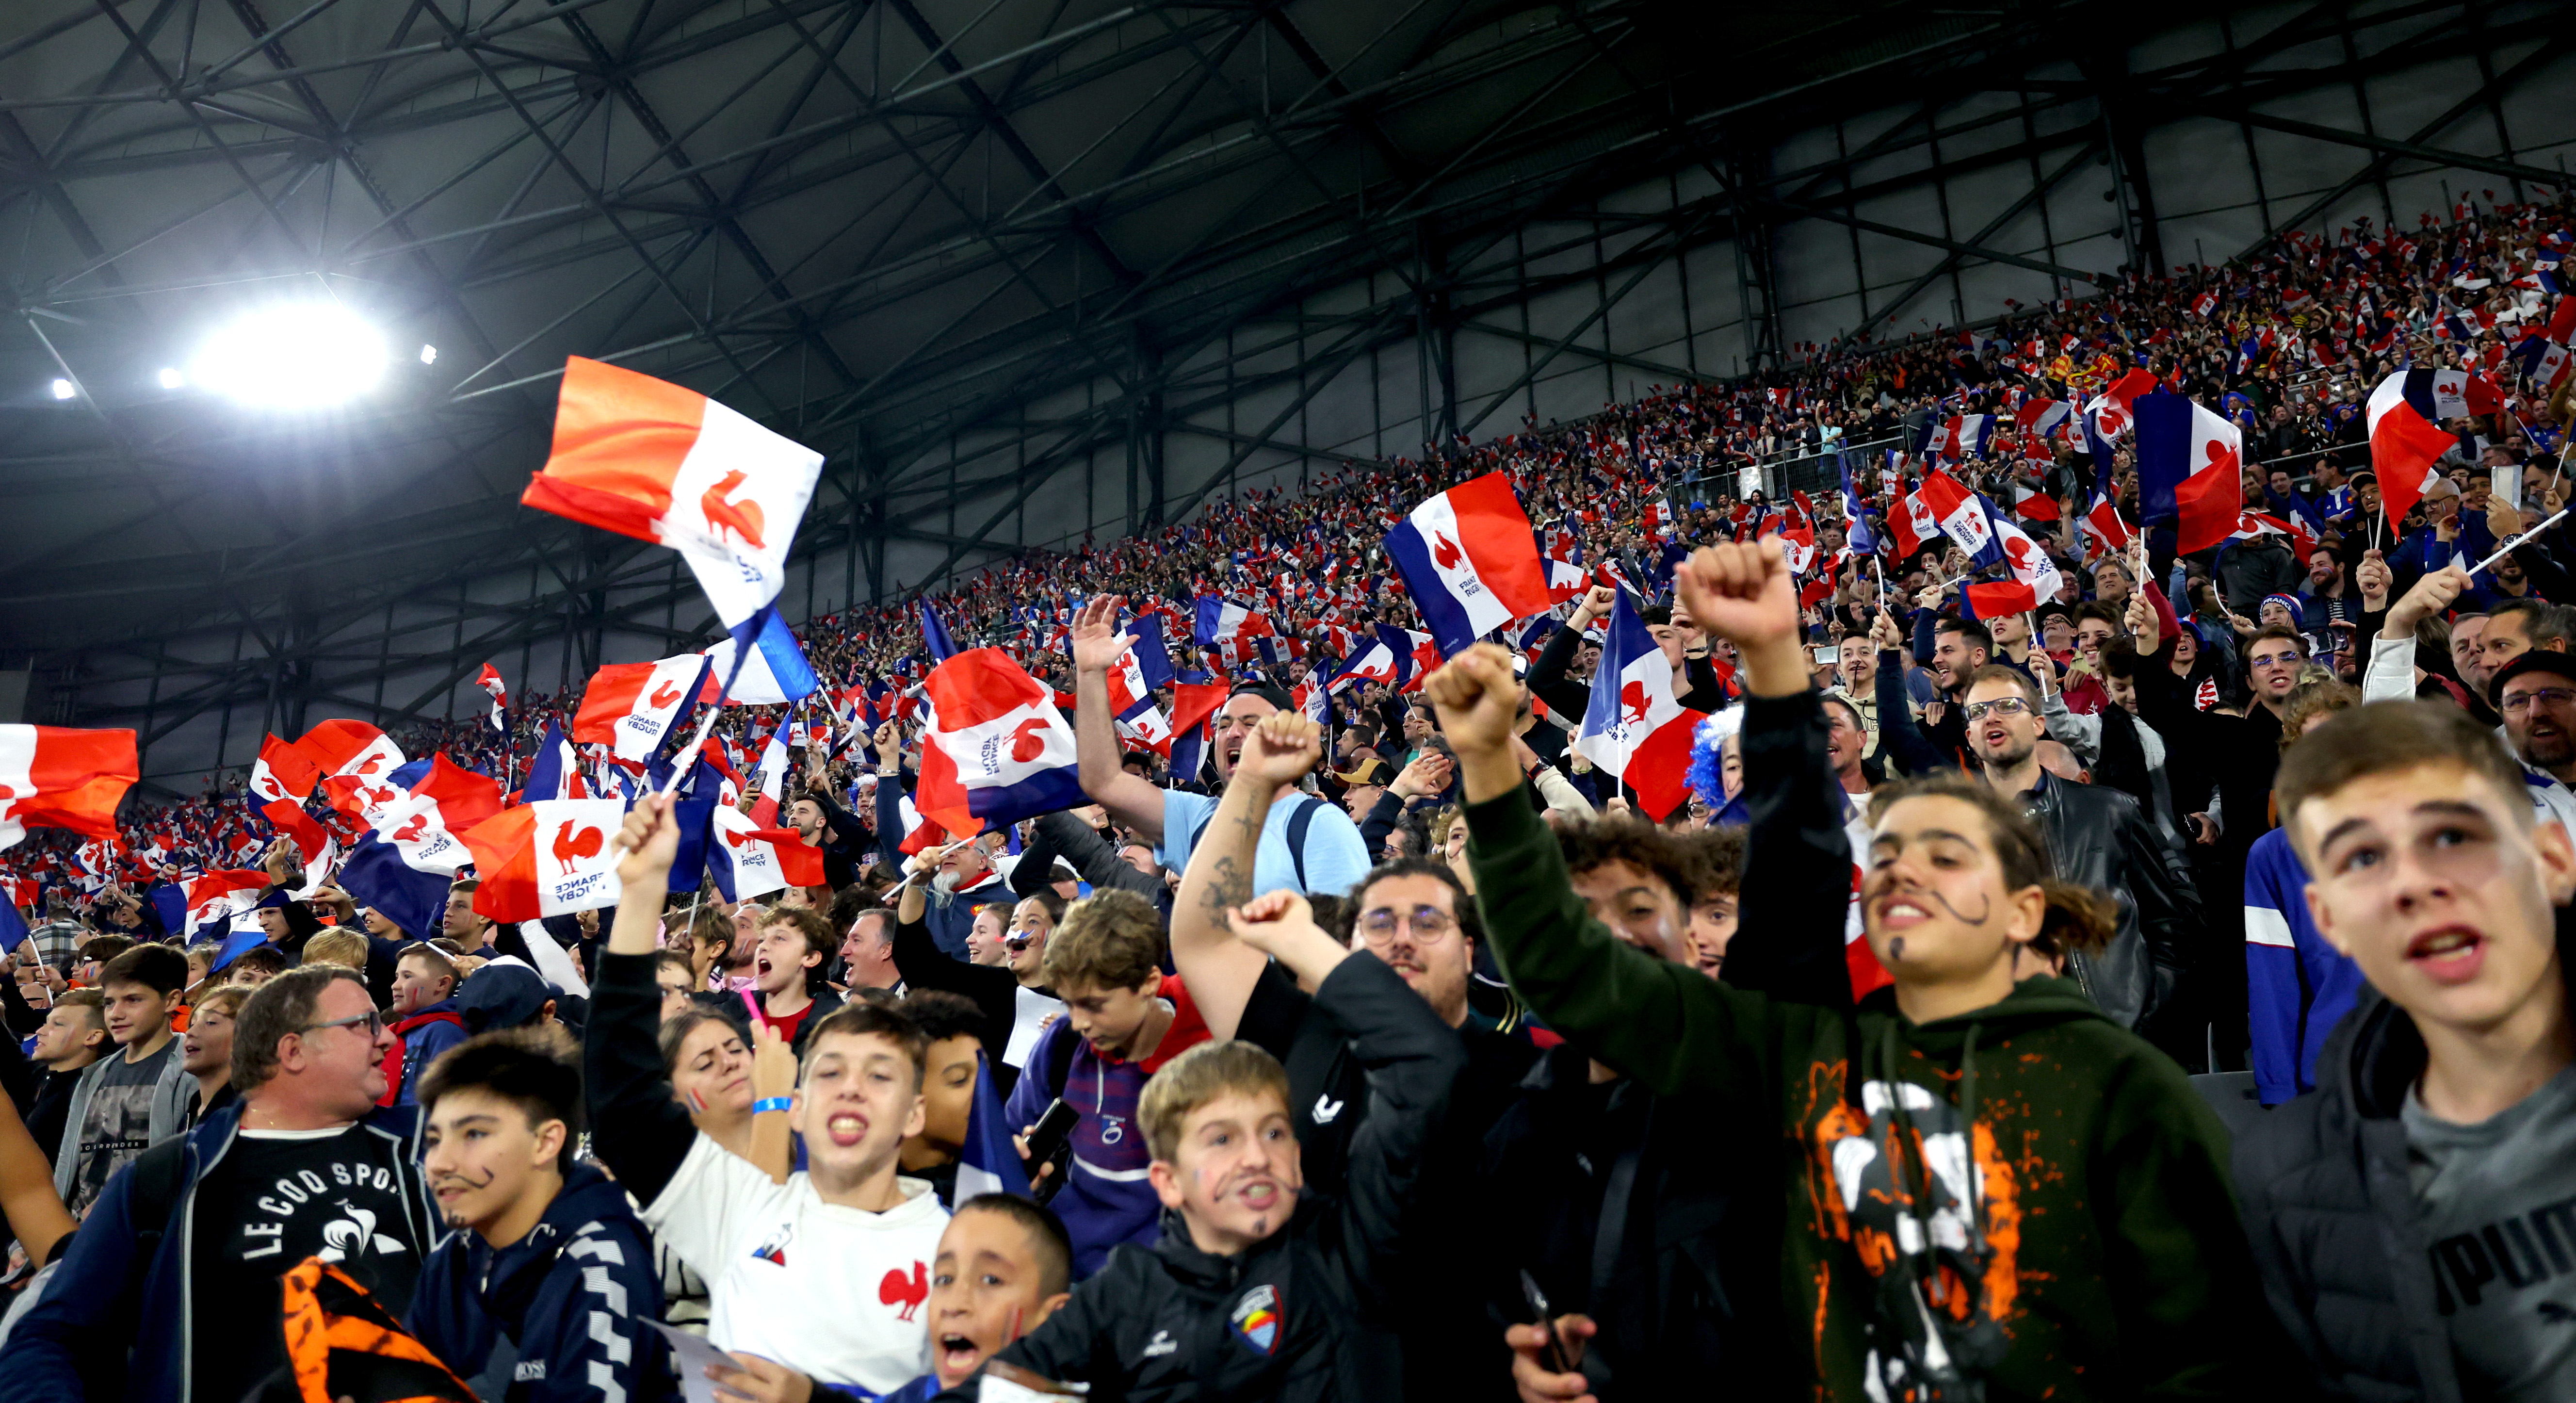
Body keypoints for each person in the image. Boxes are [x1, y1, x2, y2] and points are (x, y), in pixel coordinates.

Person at [1452, 538, 2272, 1401]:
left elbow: (2215, 1353)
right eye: (1887, 859)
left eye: (1946, 855)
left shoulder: (2121, 1083)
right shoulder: (1809, 1051)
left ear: (2027, 909)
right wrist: (1487, 766)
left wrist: (1776, 663)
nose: (1905, 872)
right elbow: (1570, 966)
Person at [931, 888, 1463, 1403]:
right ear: (1166, 1177)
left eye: (1273, 1133)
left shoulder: (1344, 1249)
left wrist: (1307, 943)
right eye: (1221, 1139)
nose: (1254, 1156)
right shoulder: (1121, 1297)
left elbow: (1429, 1064)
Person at [2236, 701, 2576, 1397]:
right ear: (2327, 918)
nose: (2412, 883)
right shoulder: (2279, 1182)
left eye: (2450, 836)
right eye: (2361, 858)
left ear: (2550, 860)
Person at [590, 794, 949, 1396]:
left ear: (914, 1113)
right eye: (830, 1072)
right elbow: (621, 1100)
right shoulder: (747, 1209)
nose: (853, 1088)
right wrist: (642, 896)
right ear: (799, 1105)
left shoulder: (959, 1247)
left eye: (880, 1075)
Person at [0, 965, 437, 1403]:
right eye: (364, 1026)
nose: (388, 1039)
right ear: (293, 1050)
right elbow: (50, 1334)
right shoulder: (169, 1174)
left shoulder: (436, 1146)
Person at [408, 1026, 669, 1403]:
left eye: (474, 1134)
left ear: (546, 1142)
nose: (440, 1163)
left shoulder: (603, 1268)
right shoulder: (451, 1259)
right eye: (434, 1141)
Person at [1957, 664, 2202, 1036]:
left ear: (2038, 724)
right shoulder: (1952, 838)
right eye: (1978, 711)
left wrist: (2145, 1016)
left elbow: (2167, 924)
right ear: (1970, 736)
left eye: (2007, 705)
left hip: (2120, 1040)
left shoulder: (2109, 810)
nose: (1991, 716)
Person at [1069, 597, 1369, 899]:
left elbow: (1347, 938)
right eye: (1224, 725)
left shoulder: (1321, 825)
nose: (1233, 733)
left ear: (1287, 737)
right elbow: (1104, 782)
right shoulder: (1199, 818)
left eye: (1251, 724)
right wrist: (1091, 674)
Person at [1001, 889, 1210, 1276]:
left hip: (1167, 1287)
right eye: (1068, 1003)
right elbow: (1008, 1136)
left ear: (1149, 982)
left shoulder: (1209, 1059)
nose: (1078, 1022)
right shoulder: (1063, 1043)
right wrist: (1015, 1167)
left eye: (1094, 1005)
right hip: (1065, 1270)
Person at [710, 1193, 1077, 1403]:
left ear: (1056, 1320)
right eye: (944, 1278)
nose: (955, 1302)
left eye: (990, 1280)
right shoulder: (919, 1396)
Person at [892, 844, 1065, 1081]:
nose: (1017, 932)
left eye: (1032, 922)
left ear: (1060, 936)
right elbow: (915, 960)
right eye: (1014, 924)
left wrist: (1079, 1038)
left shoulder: (1085, 1001)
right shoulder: (990, 988)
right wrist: (916, 885)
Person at [53, 945, 191, 1218]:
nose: (115, 1014)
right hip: (81, 1235)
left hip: (147, 1237)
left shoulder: (192, 1069)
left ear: (172, 1001)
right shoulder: (95, 1075)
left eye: (133, 1000)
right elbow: (69, 1162)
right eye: (109, 1002)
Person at [746, 906, 846, 1054]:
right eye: (762, 940)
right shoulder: (734, 1010)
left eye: (779, 938)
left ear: (811, 958)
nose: (763, 946)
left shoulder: (833, 1029)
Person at [24, 989, 107, 1165]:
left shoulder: (87, 1095)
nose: (40, 1031)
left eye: (58, 1024)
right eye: (46, 1023)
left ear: (92, 1037)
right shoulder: (38, 1076)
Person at [383, 942, 468, 1107]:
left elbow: (448, 1100)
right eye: (397, 977)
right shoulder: (401, 1031)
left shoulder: (446, 1032)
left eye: (408, 976)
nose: (395, 986)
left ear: (442, 984)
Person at [176, 983, 248, 1126]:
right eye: (192, 1024)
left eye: (211, 1023)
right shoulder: (191, 1111)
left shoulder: (249, 1116)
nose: (190, 1033)